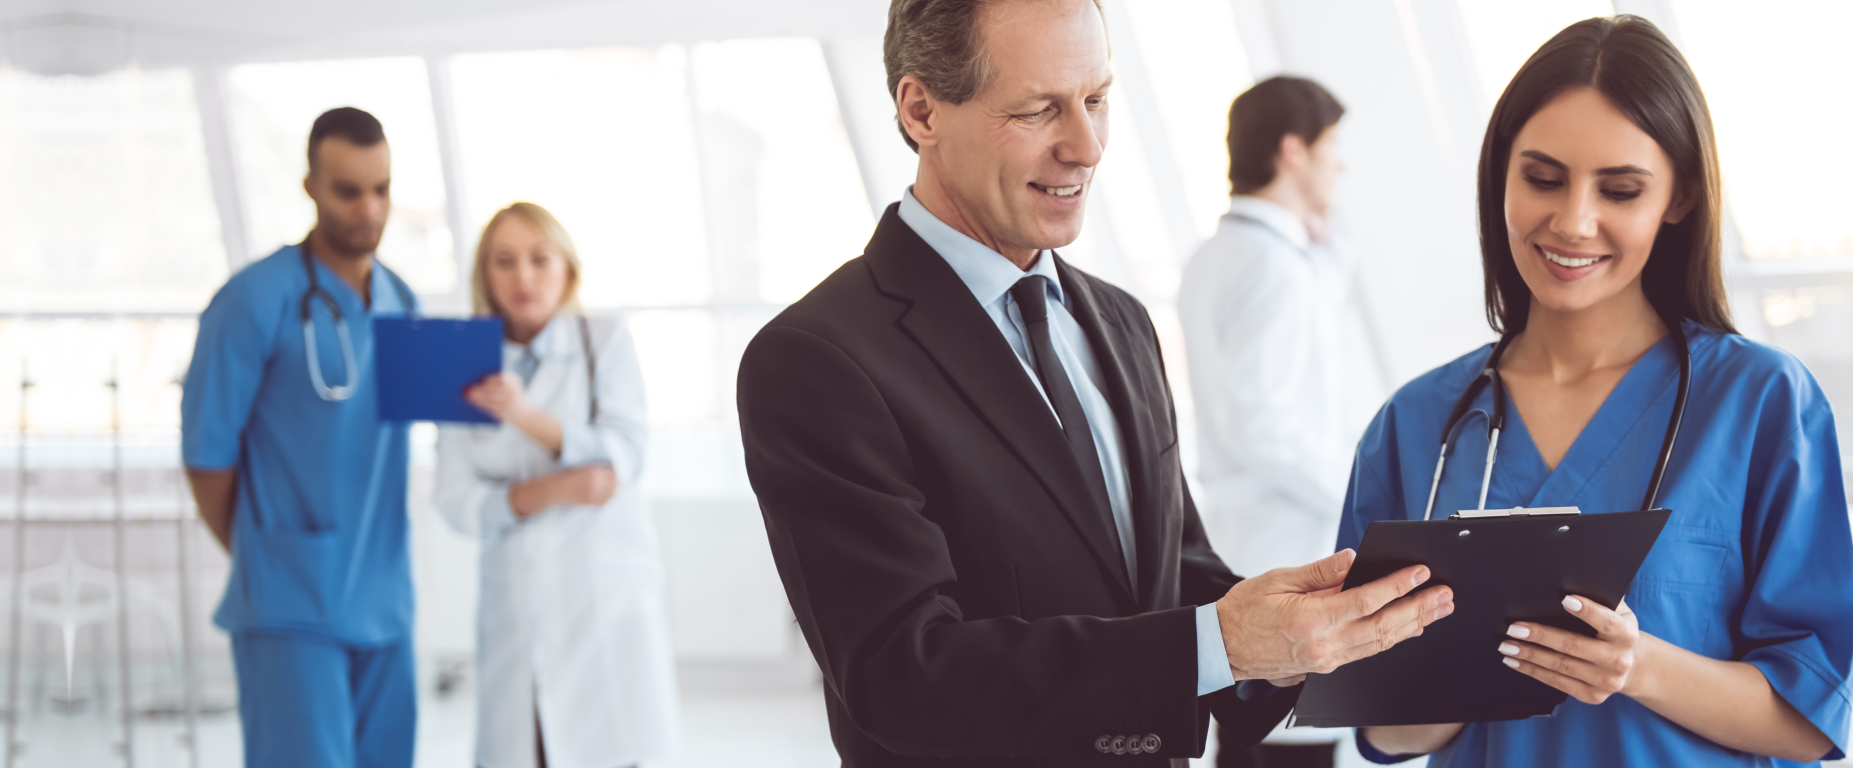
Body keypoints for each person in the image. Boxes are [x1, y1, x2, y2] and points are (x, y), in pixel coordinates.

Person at [734, 1, 1454, 765]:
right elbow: (903, 675)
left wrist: (1357, 648)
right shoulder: (819, 359)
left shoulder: (1120, 322)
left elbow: (1170, 577)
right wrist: (1221, 642)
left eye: (1098, 100)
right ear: (921, 111)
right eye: (1040, 108)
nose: (1086, 146)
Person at [1343, 16, 1853, 766]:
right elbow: (1383, 730)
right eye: (1543, 179)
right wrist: (1437, 671)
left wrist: (1637, 667)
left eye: (1619, 190)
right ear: (1501, 177)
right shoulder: (1416, 424)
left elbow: (1810, 721)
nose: (1573, 221)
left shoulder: (1761, 403)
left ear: (1678, 197)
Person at [181, 107, 420, 767]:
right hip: (289, 607)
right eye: (348, 190)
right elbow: (206, 457)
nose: (368, 207)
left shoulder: (403, 300)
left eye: (382, 189)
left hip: (385, 602)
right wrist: (271, 552)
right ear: (310, 185)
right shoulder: (252, 301)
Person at [434, 202, 678, 768]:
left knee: (614, 746)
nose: (523, 276)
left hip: (602, 597)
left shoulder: (604, 342)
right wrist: (549, 492)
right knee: (527, 748)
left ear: (567, 269)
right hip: (516, 603)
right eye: (504, 261)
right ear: (484, 276)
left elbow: (625, 458)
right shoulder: (459, 359)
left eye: (539, 259)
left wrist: (525, 416)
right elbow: (453, 499)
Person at [1176, 76, 1357, 768]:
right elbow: (1267, 424)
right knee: (1282, 747)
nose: (1340, 165)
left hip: (1242, 536)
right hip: (1287, 542)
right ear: (1293, 151)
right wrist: (1357, 500)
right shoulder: (1276, 269)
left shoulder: (1220, 257)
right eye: (1331, 146)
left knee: (1253, 741)